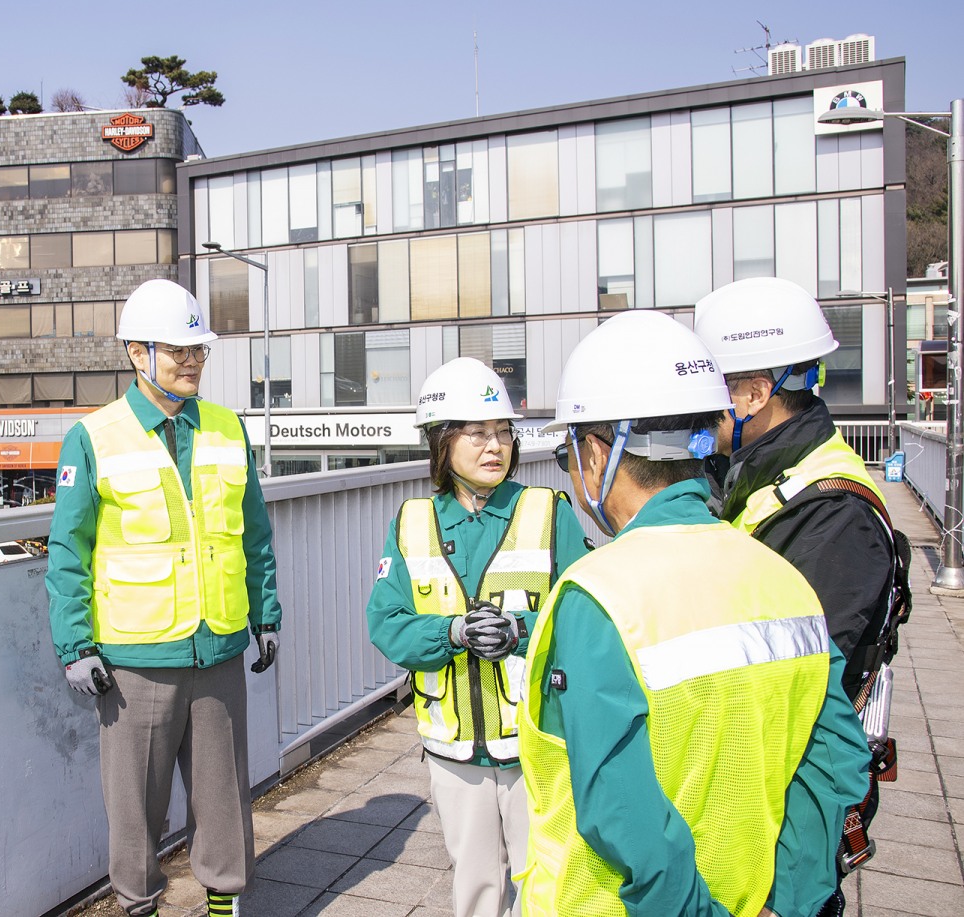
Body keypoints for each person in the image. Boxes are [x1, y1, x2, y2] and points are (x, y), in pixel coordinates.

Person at [517, 310, 872, 917]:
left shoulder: (598, 596)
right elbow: (839, 762)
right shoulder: (782, 578)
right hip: (756, 895)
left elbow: (622, 818)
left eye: (568, 456)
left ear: (597, 454)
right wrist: (787, 901)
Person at [46, 278, 282, 917]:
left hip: (218, 647)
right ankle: (138, 902)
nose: (192, 362)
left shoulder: (229, 428)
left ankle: (223, 905)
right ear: (136, 353)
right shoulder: (94, 437)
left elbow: (253, 531)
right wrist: (75, 643)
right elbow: (68, 551)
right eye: (178, 350)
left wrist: (266, 613)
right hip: (134, 656)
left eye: (199, 350)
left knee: (224, 795)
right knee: (135, 803)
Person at [695, 278, 906, 909]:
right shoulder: (771, 480)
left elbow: (795, 695)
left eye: (711, 390)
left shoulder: (831, 516)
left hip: (783, 818)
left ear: (756, 393)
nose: (696, 411)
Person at [366, 358, 589, 917]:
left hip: (534, 744)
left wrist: (521, 631)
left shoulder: (548, 512)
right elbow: (386, 623)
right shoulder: (413, 521)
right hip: (454, 750)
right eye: (478, 433)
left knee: (546, 887)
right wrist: (453, 632)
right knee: (475, 887)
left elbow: (586, 621)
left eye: (503, 433)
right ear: (442, 442)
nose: (496, 446)